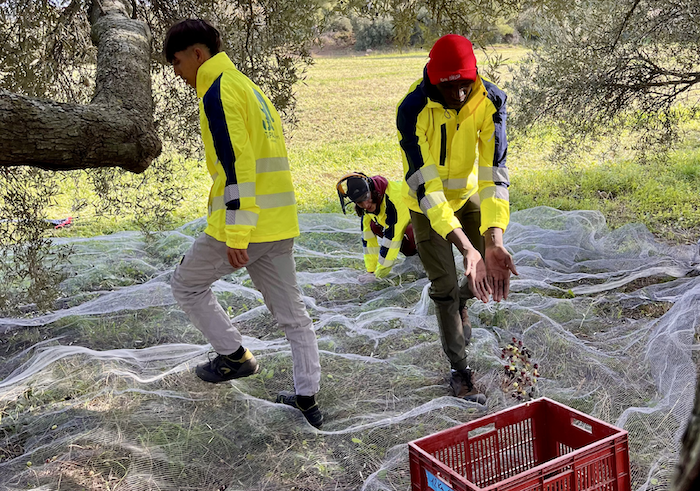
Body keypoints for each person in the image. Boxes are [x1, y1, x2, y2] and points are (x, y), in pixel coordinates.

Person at [164, 19, 323, 428]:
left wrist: (236, 232)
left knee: (185, 284)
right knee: (294, 315)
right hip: (279, 222)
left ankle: (234, 357)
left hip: (244, 227)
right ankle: (308, 398)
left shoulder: (217, 91)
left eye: (178, 62)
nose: (178, 74)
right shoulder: (251, 87)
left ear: (198, 54)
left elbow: (238, 165)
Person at [396, 34, 518, 404]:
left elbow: (493, 173)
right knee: (445, 289)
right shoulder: (412, 109)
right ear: (434, 79)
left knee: (479, 274)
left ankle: (465, 299)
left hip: (468, 197)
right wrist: (466, 247)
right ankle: (460, 370)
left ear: (475, 76)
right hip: (426, 207)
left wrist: (493, 240)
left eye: (466, 85)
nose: (460, 94)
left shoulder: (491, 101)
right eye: (451, 87)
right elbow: (428, 188)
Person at [336, 172, 417, 282]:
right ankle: (414, 257)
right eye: (359, 202)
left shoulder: (394, 200)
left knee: (408, 232)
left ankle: (421, 257)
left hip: (429, 225)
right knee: (373, 225)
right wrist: (371, 271)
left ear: (371, 189)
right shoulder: (368, 206)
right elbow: (368, 238)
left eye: (366, 197)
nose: (365, 205)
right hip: (403, 226)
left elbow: (392, 239)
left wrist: (378, 275)